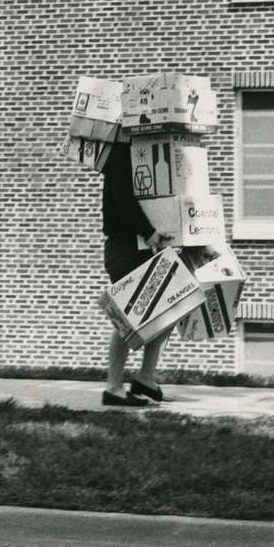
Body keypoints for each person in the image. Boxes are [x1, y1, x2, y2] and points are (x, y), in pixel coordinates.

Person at [101, 141, 173, 406]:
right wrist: (150, 232)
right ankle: (114, 387)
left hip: (149, 244)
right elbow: (123, 199)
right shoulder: (121, 152)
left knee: (166, 310)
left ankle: (146, 377)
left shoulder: (158, 149)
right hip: (126, 246)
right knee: (128, 316)